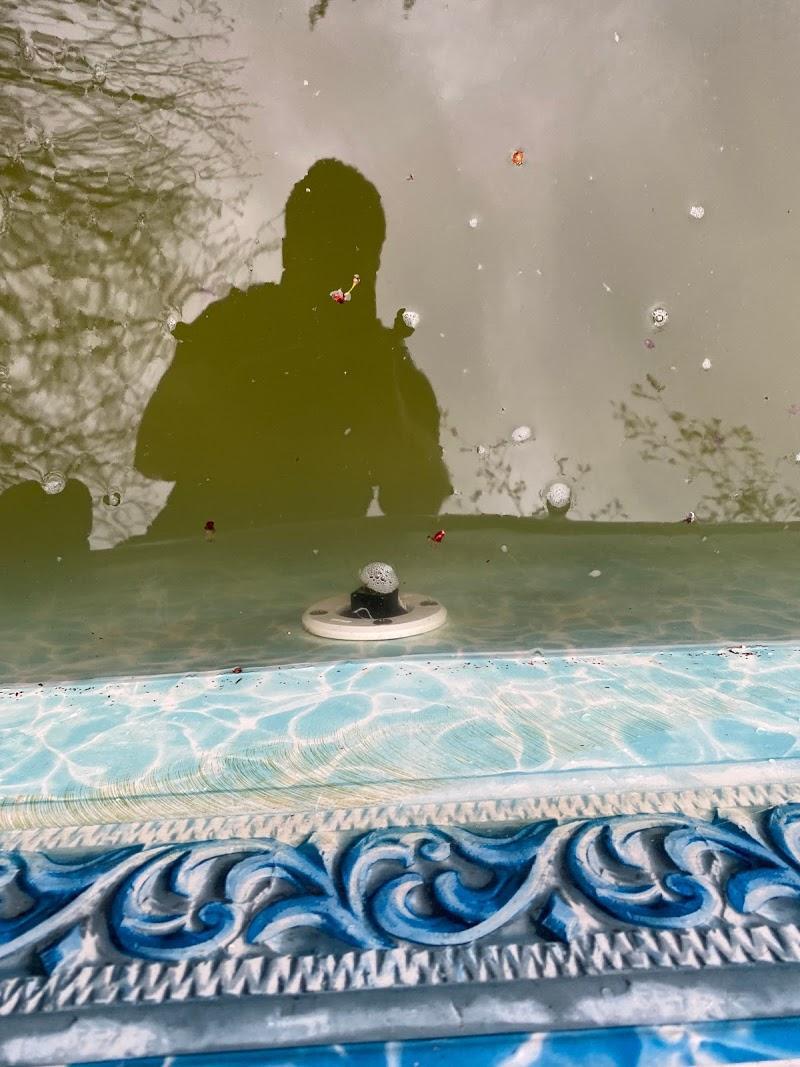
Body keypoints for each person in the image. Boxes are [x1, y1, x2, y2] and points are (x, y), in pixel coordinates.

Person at [134, 158, 452, 539]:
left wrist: (385, 409)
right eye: (322, 254)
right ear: (289, 254)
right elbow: (154, 451)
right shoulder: (233, 323)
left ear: (374, 262)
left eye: (353, 257)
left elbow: (420, 500)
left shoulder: (387, 364)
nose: (339, 276)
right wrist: (252, 395)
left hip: (321, 564)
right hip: (194, 551)